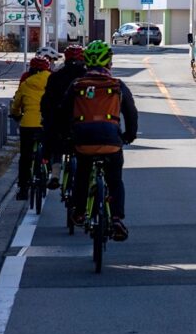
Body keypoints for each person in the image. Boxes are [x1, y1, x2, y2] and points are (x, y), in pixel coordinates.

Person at [57, 40, 137, 241]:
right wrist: (129, 135)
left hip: (83, 139)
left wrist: (66, 136)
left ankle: (79, 212)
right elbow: (131, 113)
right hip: (111, 139)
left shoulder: (77, 85)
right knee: (115, 180)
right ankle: (117, 218)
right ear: (109, 62)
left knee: (83, 174)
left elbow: (63, 113)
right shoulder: (117, 85)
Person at [40, 44, 87, 189]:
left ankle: (55, 174)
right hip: (82, 122)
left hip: (59, 120)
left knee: (56, 144)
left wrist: (46, 117)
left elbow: (46, 101)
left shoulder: (55, 76)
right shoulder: (87, 77)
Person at [10, 56, 51, 201]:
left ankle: (23, 188)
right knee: (50, 148)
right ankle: (48, 170)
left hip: (28, 124)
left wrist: (15, 114)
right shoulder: (52, 80)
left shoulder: (26, 83)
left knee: (25, 157)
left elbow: (16, 105)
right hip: (46, 123)